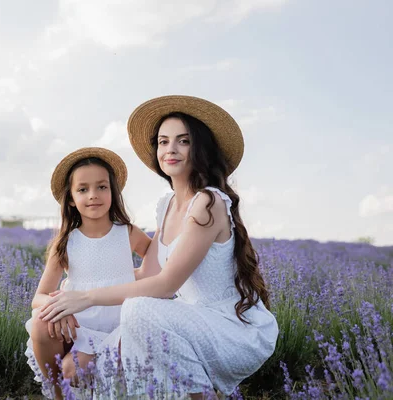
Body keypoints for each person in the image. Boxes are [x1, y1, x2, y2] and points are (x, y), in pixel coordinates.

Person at [39, 96, 279, 398]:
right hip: (184, 320)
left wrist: (85, 298)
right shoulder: (166, 205)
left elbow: (165, 285)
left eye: (183, 141)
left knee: (139, 310)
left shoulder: (208, 202)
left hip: (228, 327)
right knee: (77, 368)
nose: (171, 150)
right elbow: (145, 274)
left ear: (200, 148)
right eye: (164, 142)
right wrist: (71, 293)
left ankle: (200, 396)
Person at [24, 147, 151, 399]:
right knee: (41, 323)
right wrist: (58, 306)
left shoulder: (127, 232)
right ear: (71, 198)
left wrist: (133, 277)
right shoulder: (66, 242)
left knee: (74, 371)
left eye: (102, 187)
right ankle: (58, 394)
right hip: (79, 327)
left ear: (113, 192)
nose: (93, 195)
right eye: (83, 189)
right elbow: (38, 297)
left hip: (118, 325)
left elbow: (156, 265)